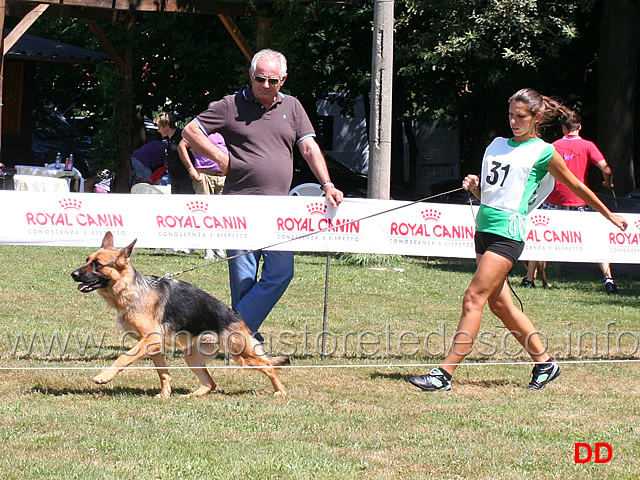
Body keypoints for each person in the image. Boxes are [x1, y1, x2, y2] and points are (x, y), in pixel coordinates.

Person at [409, 88, 627, 392]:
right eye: (511, 115)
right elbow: (491, 193)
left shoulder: (544, 152)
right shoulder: (497, 145)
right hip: (484, 230)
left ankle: (443, 374)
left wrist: (610, 215)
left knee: (474, 298)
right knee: (502, 306)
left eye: (521, 116)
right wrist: (474, 187)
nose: (513, 121)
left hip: (508, 235)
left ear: (536, 117)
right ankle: (545, 363)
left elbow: (578, 187)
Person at [183, 48, 344, 344]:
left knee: (281, 272)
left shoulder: (293, 107)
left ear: (283, 80)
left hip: (279, 210)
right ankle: (245, 339)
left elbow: (308, 148)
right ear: (250, 76)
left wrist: (327, 183)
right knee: (244, 281)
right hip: (239, 207)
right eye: (260, 79)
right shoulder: (230, 105)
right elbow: (190, 131)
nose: (266, 85)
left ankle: (230, 332)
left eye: (272, 80)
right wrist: (220, 157)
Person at [521, 110, 619, 293]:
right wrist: (607, 182)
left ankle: (528, 279)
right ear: (579, 127)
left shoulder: (553, 146)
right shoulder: (588, 146)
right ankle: (608, 279)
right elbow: (606, 168)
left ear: (564, 128)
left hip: (553, 200)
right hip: (579, 202)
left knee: (539, 238)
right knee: (597, 241)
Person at [178, 124, 228, 260]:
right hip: (204, 175)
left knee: (221, 213)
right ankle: (208, 249)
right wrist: (191, 168)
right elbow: (182, 146)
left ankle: (219, 246)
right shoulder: (200, 132)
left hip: (223, 176)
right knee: (205, 214)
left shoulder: (225, 131)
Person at [154, 112, 195, 195]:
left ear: (167, 126)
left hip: (186, 178)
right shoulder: (169, 140)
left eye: (159, 127)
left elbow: (194, 152)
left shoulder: (182, 136)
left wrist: (194, 169)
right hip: (174, 178)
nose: (158, 131)